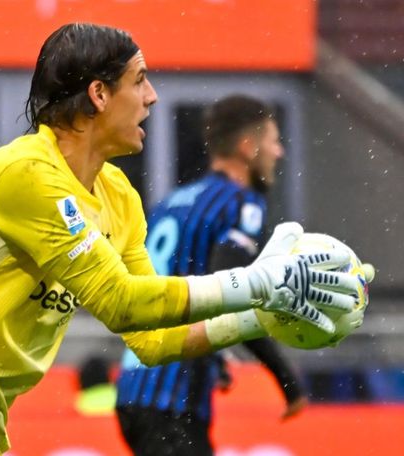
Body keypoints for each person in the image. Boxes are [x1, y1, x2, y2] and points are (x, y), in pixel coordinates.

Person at [0, 23, 363, 455]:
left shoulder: (118, 197)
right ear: (98, 94)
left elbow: (152, 339)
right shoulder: (25, 172)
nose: (152, 96)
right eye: (139, 80)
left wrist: (259, 316)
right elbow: (120, 303)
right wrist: (256, 283)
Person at [115, 95, 308, 456]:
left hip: (135, 388)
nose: (278, 152)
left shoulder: (173, 203)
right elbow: (232, 289)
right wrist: (286, 379)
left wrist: (213, 356)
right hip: (172, 400)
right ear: (248, 147)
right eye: (273, 140)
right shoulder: (241, 203)